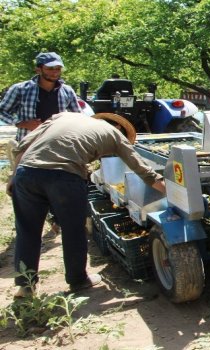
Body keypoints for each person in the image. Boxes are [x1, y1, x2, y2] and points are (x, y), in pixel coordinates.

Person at [7, 112, 166, 299]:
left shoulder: (62, 117)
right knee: (73, 229)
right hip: (65, 177)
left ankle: (25, 286)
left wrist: (13, 176)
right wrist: (172, 192)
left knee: (27, 230)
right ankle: (78, 280)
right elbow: (144, 171)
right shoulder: (115, 135)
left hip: (27, 173)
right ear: (119, 128)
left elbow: (25, 144)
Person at [0, 52, 82, 234]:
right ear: (38, 69)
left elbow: (77, 115)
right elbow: (2, 110)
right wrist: (21, 122)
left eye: (58, 68)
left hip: (58, 144)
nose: (55, 72)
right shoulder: (21, 89)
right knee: (27, 182)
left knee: (58, 182)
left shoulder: (66, 91)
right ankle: (27, 224)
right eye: (50, 68)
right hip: (29, 144)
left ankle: (57, 218)